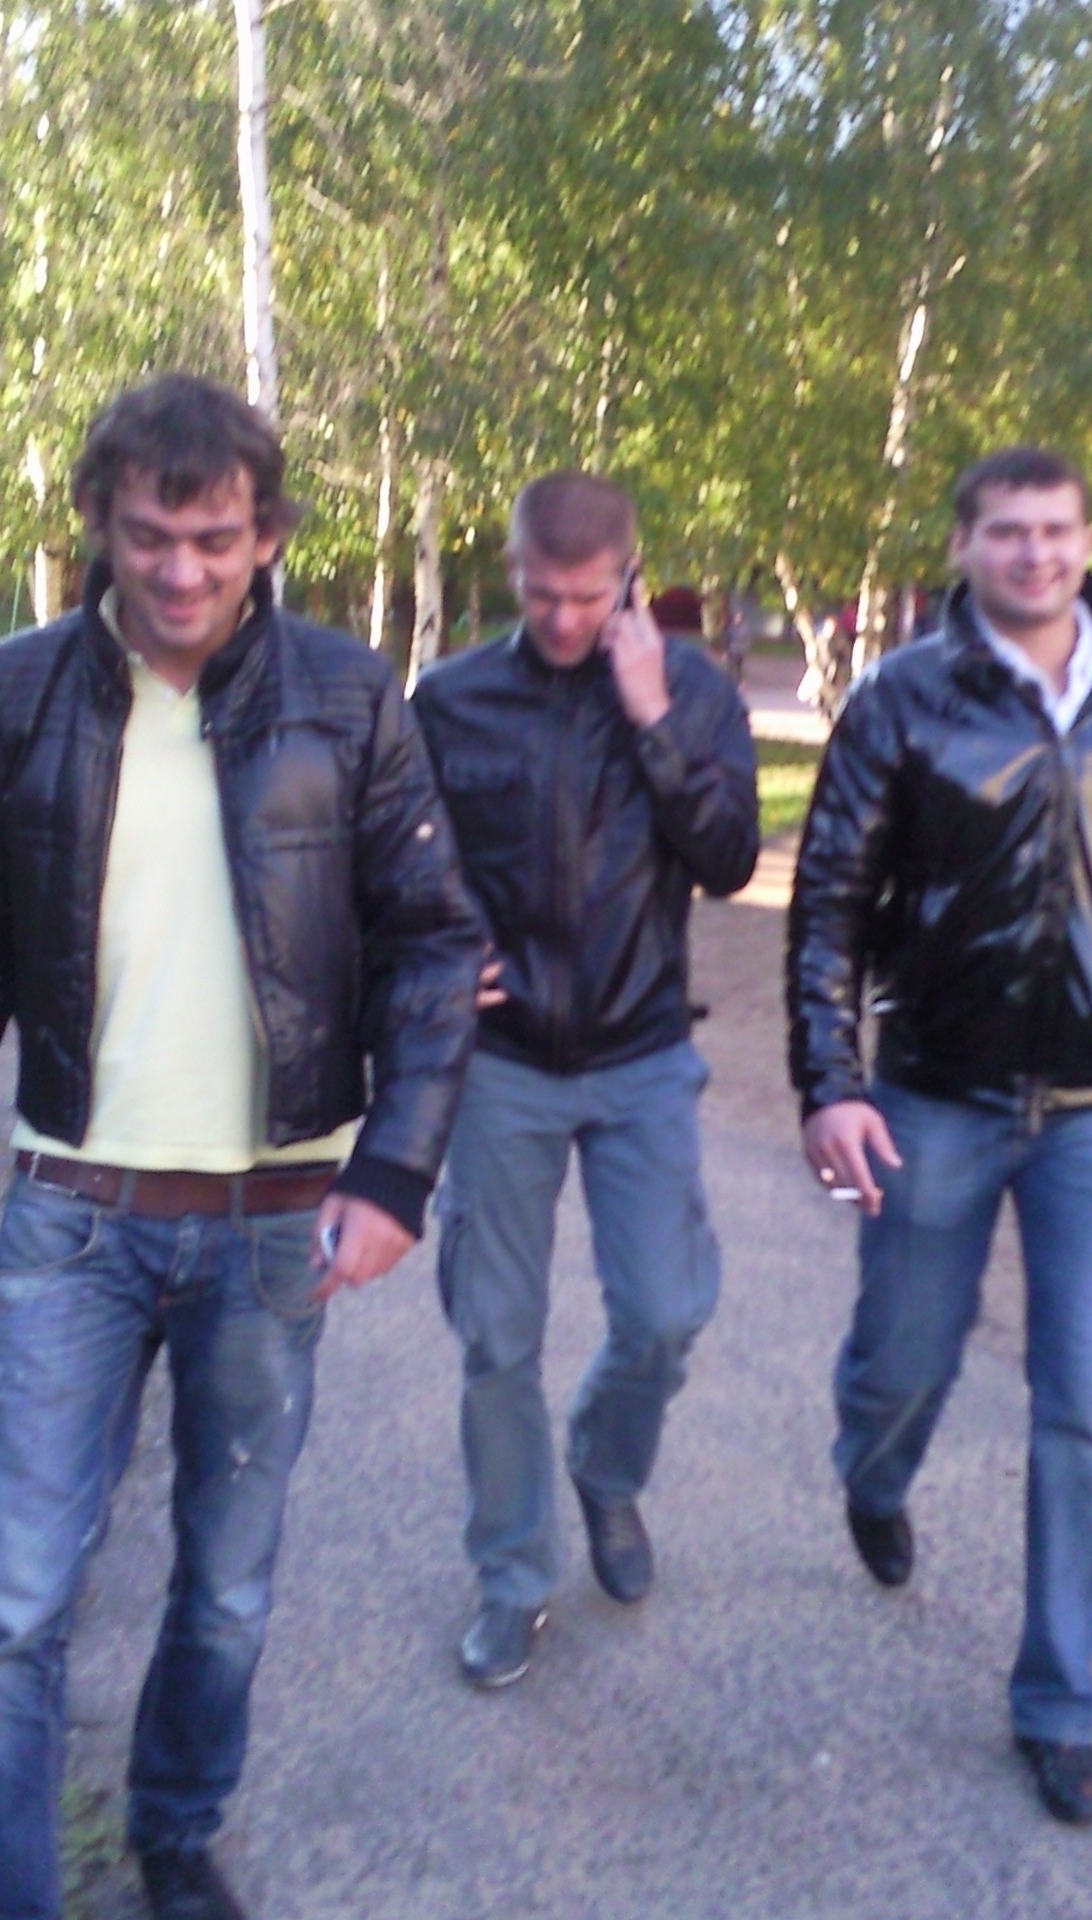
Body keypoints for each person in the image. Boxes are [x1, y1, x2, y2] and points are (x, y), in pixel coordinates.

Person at [0, 374, 485, 1920]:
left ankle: (173, 1828)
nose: (181, 571)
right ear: (100, 522)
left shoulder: (348, 697)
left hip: (277, 1224)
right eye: (151, 536)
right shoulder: (14, 697)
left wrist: (396, 1171)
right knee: (11, 1612)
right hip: (71, 1218)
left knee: (224, 1587)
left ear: (266, 535)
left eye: (215, 540)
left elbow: (435, 945)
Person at [784, 446, 1092, 1827]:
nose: (1035, 553)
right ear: (965, 547)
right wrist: (831, 1080)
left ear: (1088, 541)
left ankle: (1057, 1702)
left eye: (1056, 530)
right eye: (1007, 531)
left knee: (1091, 1408)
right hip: (935, 1097)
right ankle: (874, 1472)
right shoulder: (903, 700)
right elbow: (828, 900)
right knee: (903, 1364)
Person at [410, 471, 759, 1689]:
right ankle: (511, 1578)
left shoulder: (692, 691)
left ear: (628, 577)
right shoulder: (452, 697)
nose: (563, 619)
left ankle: (606, 1471)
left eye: (587, 597)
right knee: (495, 1338)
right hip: (501, 1066)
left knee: (663, 1312)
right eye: (539, 594)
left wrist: (652, 716)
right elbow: (400, 862)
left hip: (640, 1053)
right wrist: (442, 950)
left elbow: (728, 857)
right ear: (510, 571)